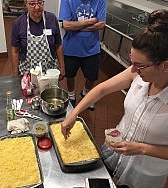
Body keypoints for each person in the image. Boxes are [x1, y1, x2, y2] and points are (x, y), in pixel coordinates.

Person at [61, 9, 168, 188]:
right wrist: (74, 114)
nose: (133, 70)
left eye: (140, 65)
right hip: (115, 150)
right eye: (132, 62)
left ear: (165, 65)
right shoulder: (138, 74)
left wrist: (142, 148)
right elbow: (102, 89)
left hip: (144, 171)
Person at [59, 0, 106, 108]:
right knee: (70, 75)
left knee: (92, 77)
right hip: (71, 47)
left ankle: (85, 93)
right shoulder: (67, 1)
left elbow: (101, 24)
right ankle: (71, 95)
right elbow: (66, 25)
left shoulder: (100, 1)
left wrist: (76, 26)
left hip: (92, 48)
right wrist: (91, 21)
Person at [11, 0, 65, 78]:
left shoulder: (51, 19)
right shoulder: (19, 23)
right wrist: (15, 76)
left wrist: (62, 67)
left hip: (49, 71)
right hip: (27, 72)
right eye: (32, 4)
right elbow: (15, 52)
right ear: (26, 3)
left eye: (40, 3)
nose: (37, 7)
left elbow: (58, 45)